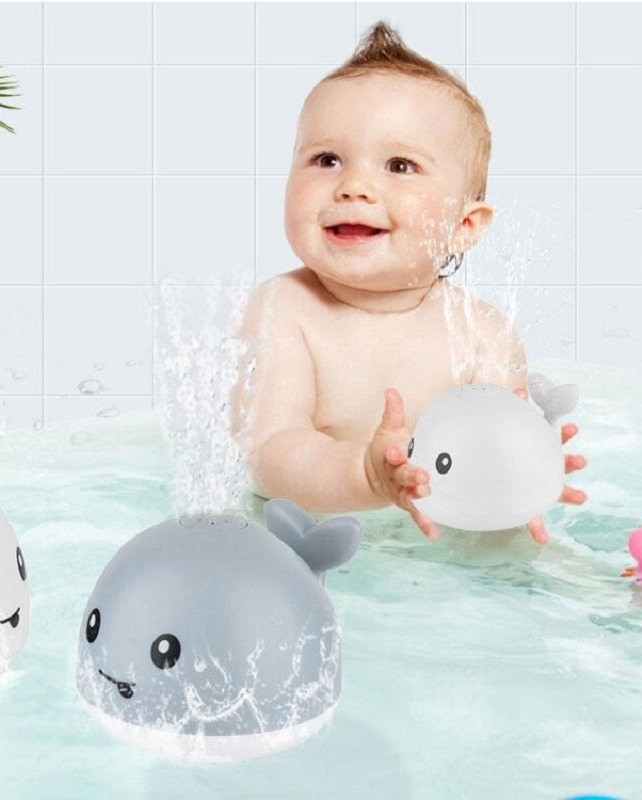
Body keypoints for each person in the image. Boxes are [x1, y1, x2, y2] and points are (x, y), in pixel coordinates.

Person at [233, 22, 586, 544]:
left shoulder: (482, 334)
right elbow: (267, 454)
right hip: (317, 549)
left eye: (400, 165)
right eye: (326, 159)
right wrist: (366, 476)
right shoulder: (284, 310)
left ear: (465, 226)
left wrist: (525, 481)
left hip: (442, 551)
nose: (353, 186)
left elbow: (496, 448)